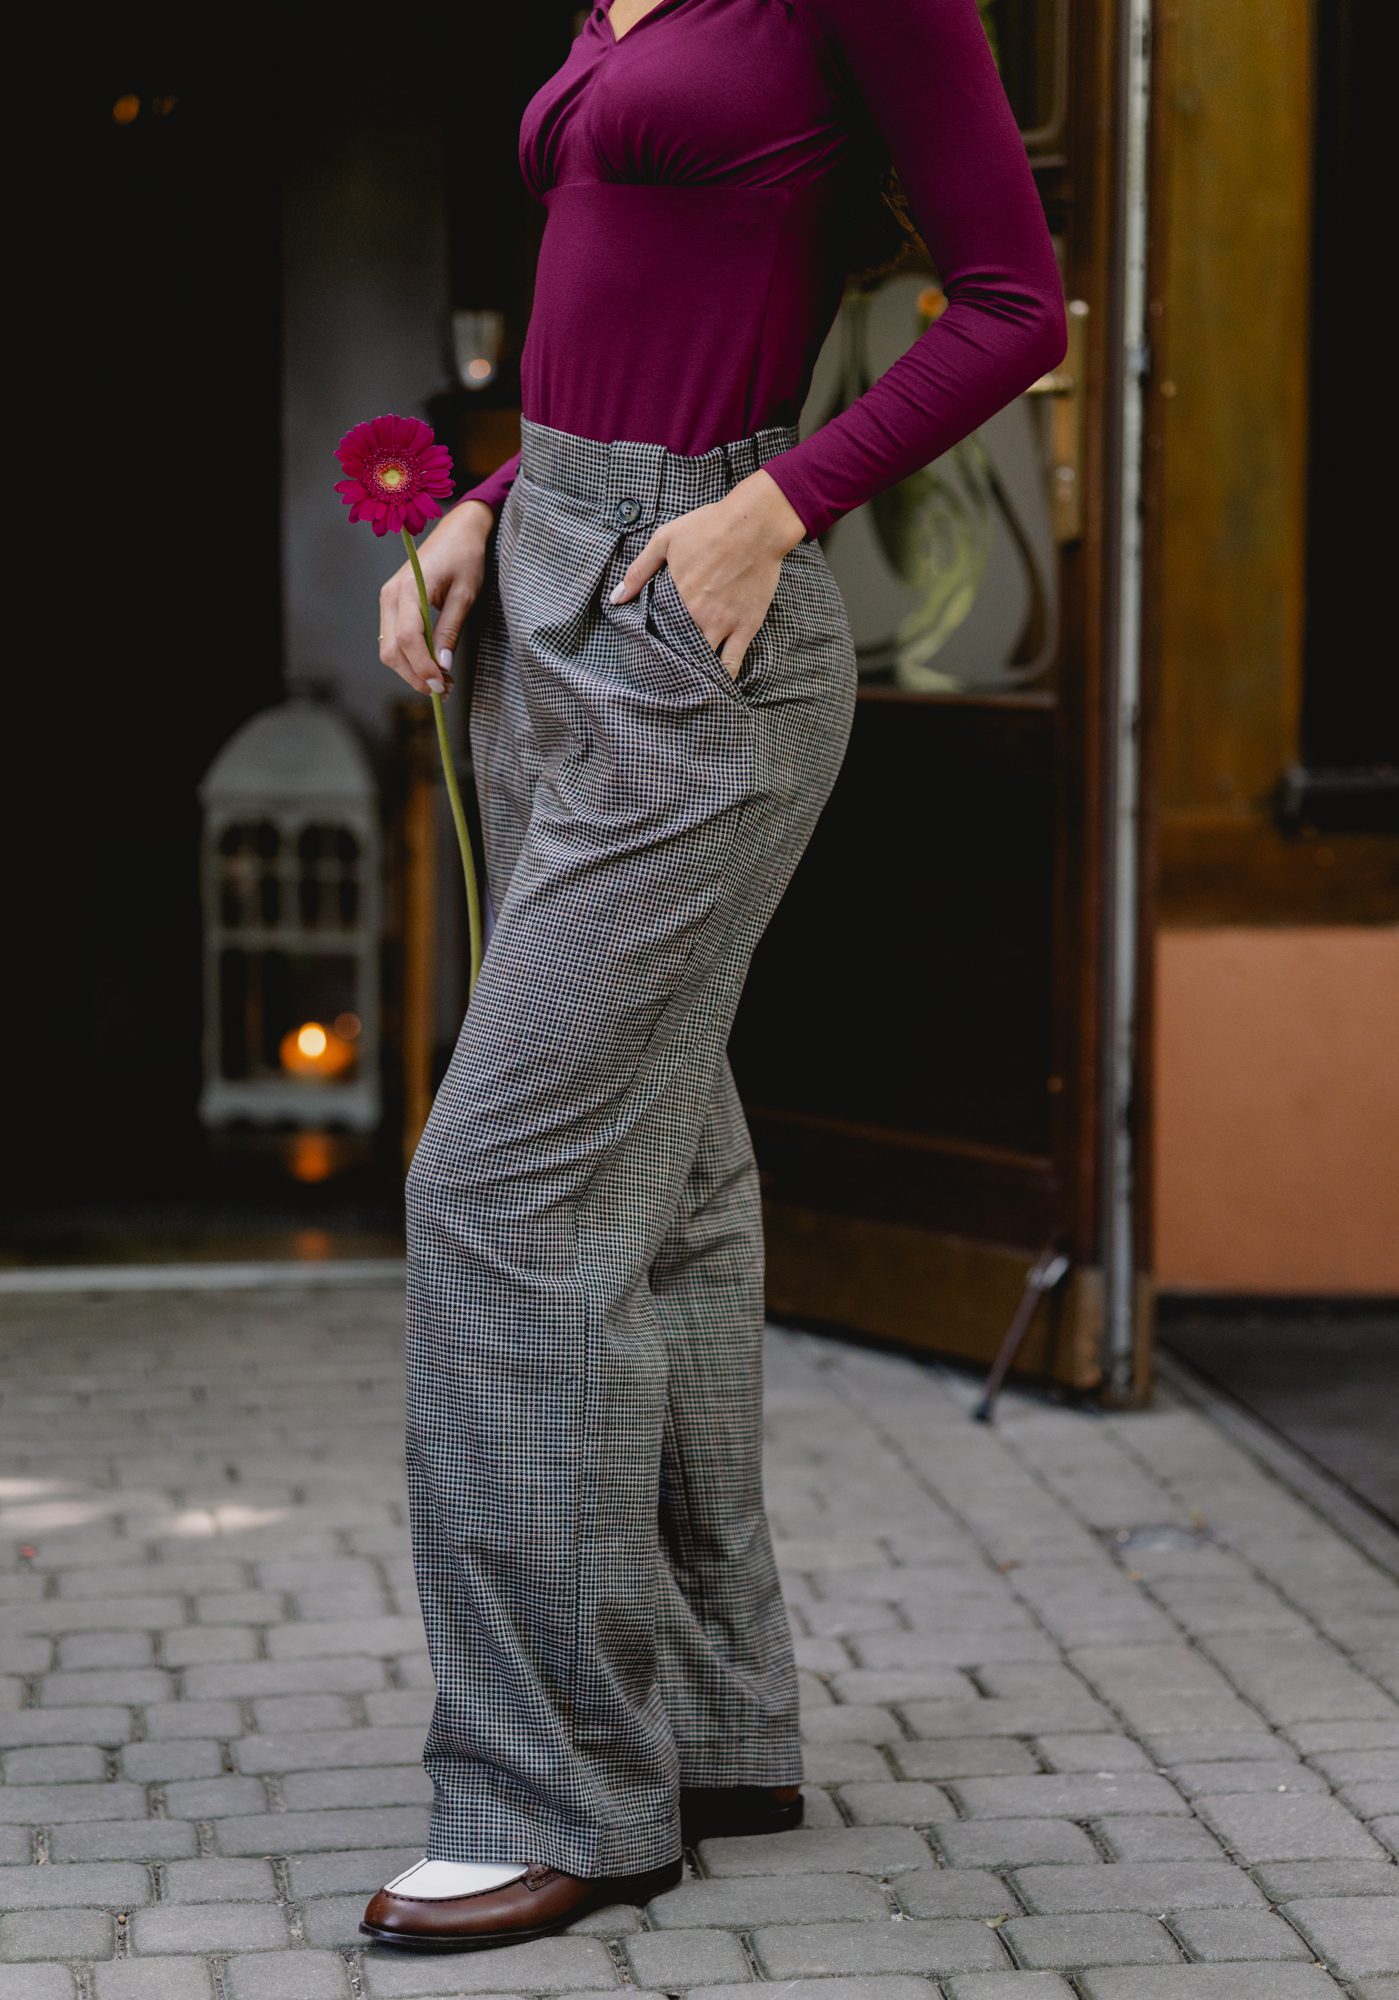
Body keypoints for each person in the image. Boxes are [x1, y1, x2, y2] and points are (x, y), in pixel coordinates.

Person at [361, 0, 1066, 1954]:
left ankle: (551, 1788)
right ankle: (713, 1723)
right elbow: (621, 301)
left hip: (694, 620)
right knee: (662, 1176)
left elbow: (1015, 306)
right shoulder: (614, 8)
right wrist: (487, 505)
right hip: (545, 588)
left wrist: (776, 507)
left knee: (500, 1193)